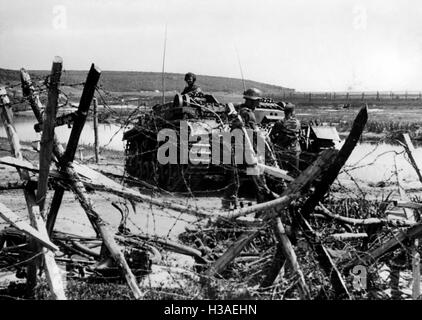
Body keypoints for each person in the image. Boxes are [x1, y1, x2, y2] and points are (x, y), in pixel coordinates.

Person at [222, 88, 277, 210]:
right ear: (252, 101)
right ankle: (261, 206)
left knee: (234, 179)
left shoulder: (240, 111)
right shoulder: (249, 114)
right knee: (258, 180)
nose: (258, 104)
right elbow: (254, 135)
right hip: (249, 154)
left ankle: (228, 203)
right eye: (257, 101)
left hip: (237, 152)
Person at [269, 103, 301, 174]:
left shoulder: (279, 123)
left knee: (282, 172)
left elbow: (271, 135)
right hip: (295, 150)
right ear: (292, 112)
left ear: (284, 112)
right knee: (294, 171)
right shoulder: (297, 123)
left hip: (282, 150)